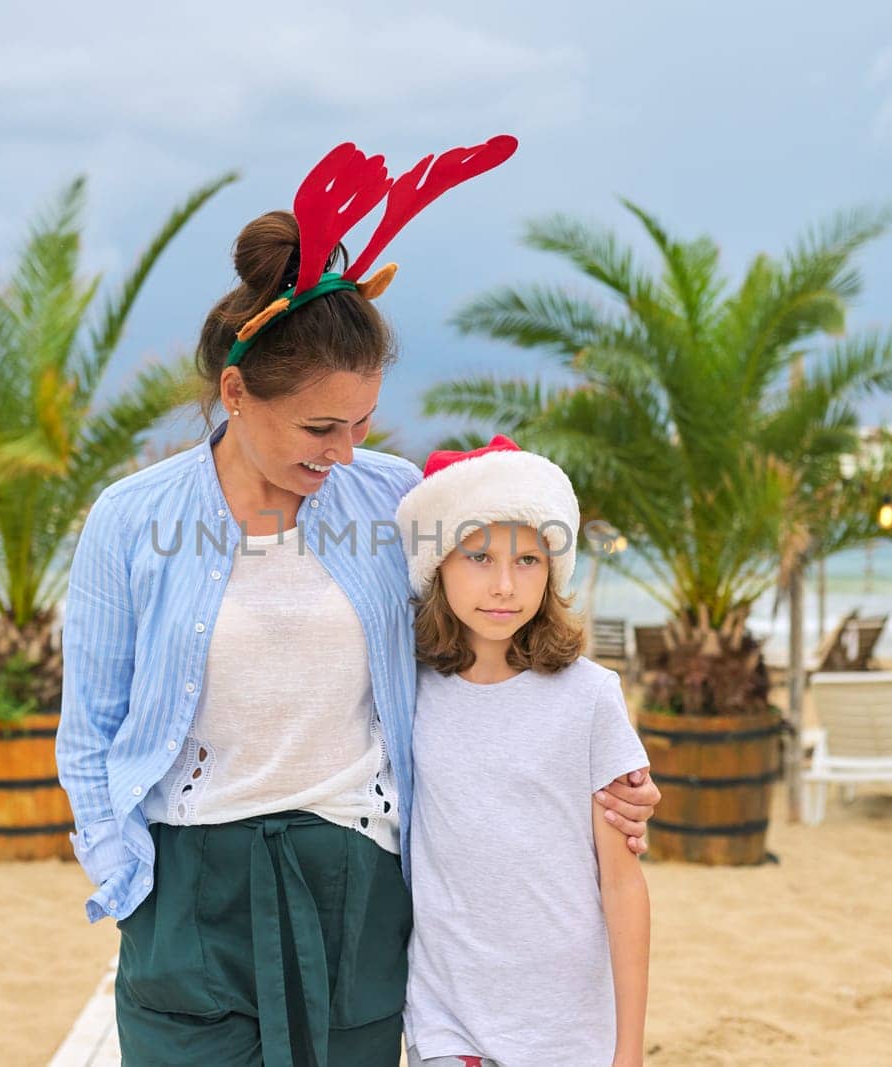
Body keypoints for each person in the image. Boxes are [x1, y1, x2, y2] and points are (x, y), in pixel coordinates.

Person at [56, 138, 660, 1067]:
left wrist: (604, 774)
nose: (345, 452)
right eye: (318, 426)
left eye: (363, 422)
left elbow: (487, 641)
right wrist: (123, 876)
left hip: (356, 872)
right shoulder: (131, 521)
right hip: (187, 884)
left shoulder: (393, 500)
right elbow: (88, 727)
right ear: (235, 391)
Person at [396, 435, 652, 1067]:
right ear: (438, 565)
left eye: (528, 561)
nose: (504, 585)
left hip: (564, 1028)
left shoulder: (591, 696)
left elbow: (622, 885)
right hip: (445, 1020)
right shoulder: (405, 691)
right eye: (479, 556)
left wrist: (630, 1050)